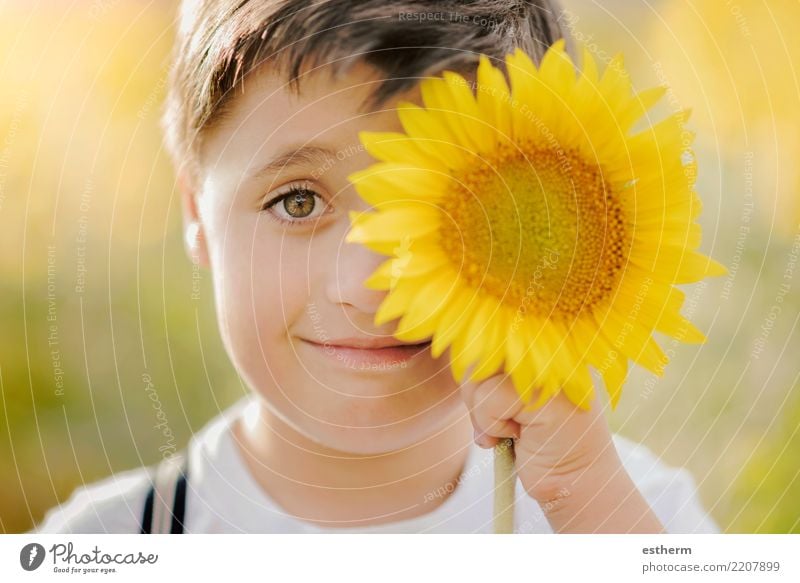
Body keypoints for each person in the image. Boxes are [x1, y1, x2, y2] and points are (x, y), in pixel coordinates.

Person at [30, 0, 720, 534]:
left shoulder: (628, 515)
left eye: (446, 205)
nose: (368, 285)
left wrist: (587, 500)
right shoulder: (115, 540)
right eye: (297, 201)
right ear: (195, 211)